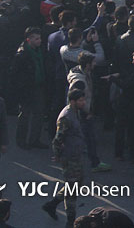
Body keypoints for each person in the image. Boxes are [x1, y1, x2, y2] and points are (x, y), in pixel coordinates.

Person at [46, 88, 88, 227]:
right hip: (69, 157)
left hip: (76, 154)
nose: (84, 102)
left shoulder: (75, 112)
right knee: (72, 190)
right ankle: (71, 220)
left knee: (77, 182)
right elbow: (58, 139)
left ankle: (52, 204)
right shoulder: (66, 117)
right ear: (72, 101)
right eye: (81, 100)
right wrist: (58, 155)